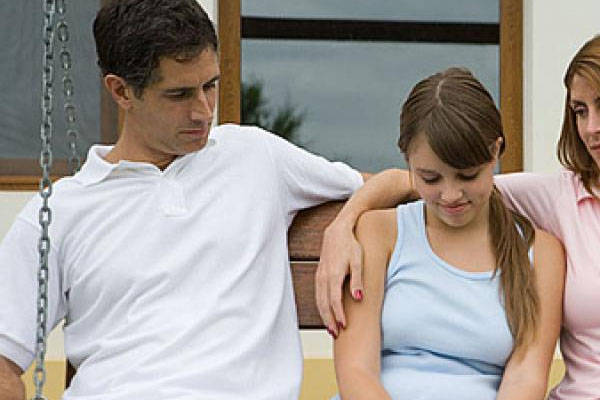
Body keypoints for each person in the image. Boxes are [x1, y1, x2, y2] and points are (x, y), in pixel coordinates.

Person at [316, 28, 600, 399]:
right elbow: (430, 180)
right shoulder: (557, 198)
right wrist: (343, 225)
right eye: (580, 110)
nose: (591, 127)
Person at [0, 0, 403, 398]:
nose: (203, 111)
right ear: (121, 91)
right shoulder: (59, 211)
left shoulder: (255, 156)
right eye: (178, 95)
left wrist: (346, 222)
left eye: (210, 86)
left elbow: (404, 183)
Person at [332, 67, 564, 400]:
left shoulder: (541, 254)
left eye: (468, 176)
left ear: (495, 151)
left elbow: (526, 377)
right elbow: (356, 371)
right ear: (408, 161)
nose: (451, 195)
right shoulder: (379, 233)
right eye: (430, 179)